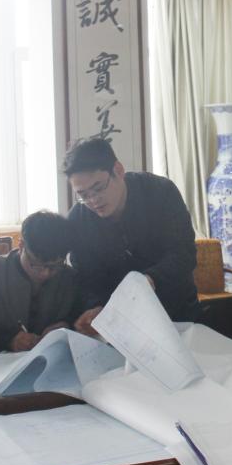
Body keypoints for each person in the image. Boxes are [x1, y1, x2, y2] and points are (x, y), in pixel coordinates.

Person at [64, 137, 199, 332]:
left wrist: (149, 280)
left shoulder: (160, 192)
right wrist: (94, 307)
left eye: (98, 188)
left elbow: (184, 253)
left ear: (118, 170)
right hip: (120, 323)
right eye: (83, 195)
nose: (93, 200)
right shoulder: (78, 220)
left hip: (177, 312)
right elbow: (86, 278)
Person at [0, 211, 83, 353]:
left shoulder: (69, 277)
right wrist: (8, 339)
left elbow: (78, 315)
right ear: (21, 245)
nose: (46, 273)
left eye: (55, 266)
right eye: (37, 265)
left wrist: (66, 325)